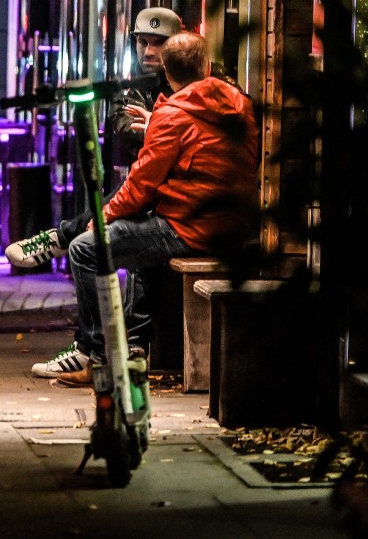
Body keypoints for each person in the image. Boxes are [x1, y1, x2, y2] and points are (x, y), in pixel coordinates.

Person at [41, 31, 259, 387]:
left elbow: (140, 186)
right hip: (236, 224)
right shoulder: (240, 103)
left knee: (84, 248)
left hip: (191, 227)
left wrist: (102, 218)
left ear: (168, 75)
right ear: (206, 67)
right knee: (140, 239)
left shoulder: (172, 116)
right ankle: (135, 347)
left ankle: (97, 358)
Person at [5, 7, 183, 378]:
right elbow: (129, 131)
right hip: (163, 203)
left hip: (180, 212)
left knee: (94, 241)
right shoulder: (131, 90)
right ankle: (128, 348)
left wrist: (161, 125)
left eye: (159, 44)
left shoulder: (195, 89)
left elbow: (168, 142)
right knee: (134, 216)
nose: (150, 51)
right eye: (143, 42)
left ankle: (93, 348)